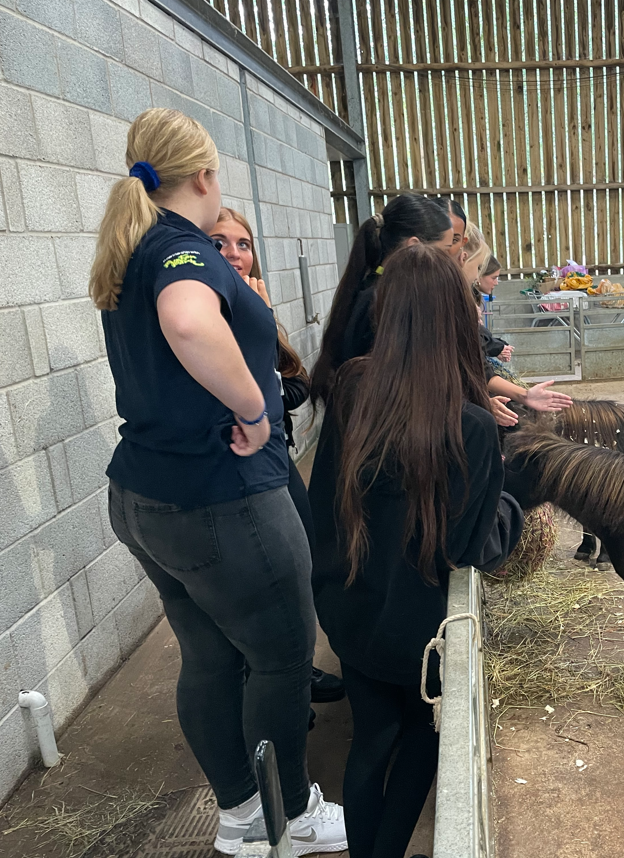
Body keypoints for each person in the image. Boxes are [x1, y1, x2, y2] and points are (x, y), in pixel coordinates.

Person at [89, 108, 345, 855]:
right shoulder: (181, 252)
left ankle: (241, 815)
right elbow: (192, 325)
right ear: (204, 177)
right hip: (217, 499)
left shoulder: (135, 250)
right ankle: (290, 817)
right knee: (281, 656)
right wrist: (254, 409)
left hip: (145, 496)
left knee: (210, 657)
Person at [308, 244, 523, 858]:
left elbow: (320, 502)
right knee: (423, 742)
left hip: (351, 609)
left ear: (388, 312)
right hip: (420, 630)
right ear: (459, 316)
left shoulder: (352, 392)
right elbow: (470, 545)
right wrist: (513, 496)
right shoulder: (473, 426)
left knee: (371, 739)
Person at [210, 206, 345, 708]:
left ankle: (296, 673)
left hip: (274, 455)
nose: (233, 254)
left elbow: (293, 383)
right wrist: (259, 326)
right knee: (269, 576)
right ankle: (276, 689)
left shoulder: (252, 305)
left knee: (302, 557)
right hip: (242, 469)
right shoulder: (218, 314)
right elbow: (256, 390)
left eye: (242, 244)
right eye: (219, 243)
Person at [309, 194, 454, 408]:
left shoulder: (372, 289)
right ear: (413, 246)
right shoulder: (381, 303)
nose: (449, 261)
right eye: (444, 251)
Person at [457, 223, 573, 415]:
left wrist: (523, 394)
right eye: (478, 267)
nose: (477, 275)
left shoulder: (468, 299)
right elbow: (474, 351)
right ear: (463, 259)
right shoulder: (460, 303)